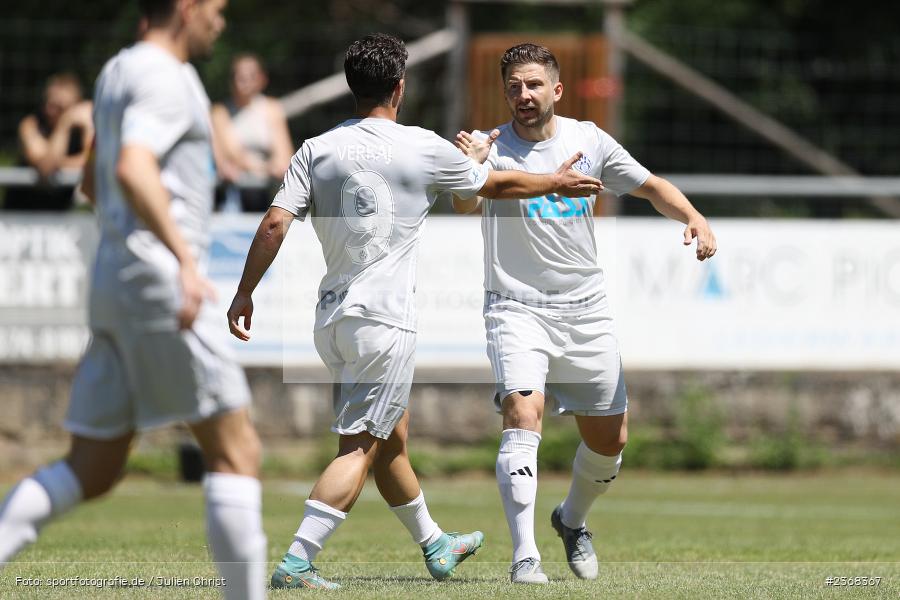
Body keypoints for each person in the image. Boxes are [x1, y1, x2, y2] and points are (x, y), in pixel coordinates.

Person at [226, 33, 602, 589]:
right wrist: (554, 180)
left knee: (390, 439)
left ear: (353, 86)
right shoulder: (420, 146)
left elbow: (275, 222)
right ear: (399, 87)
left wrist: (244, 292)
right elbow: (491, 185)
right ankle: (298, 560)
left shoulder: (316, 148)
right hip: (384, 321)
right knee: (360, 447)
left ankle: (434, 544)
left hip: (333, 320)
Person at [0, 2, 267, 599]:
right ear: (185, 8)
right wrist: (183, 261)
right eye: (216, 10)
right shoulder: (164, 76)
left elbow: (93, 180)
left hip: (115, 281)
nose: (219, 23)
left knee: (91, 469)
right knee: (236, 452)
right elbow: (131, 166)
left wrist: (132, 246)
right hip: (162, 281)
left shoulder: (117, 70)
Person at [453, 43, 717, 584]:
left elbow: (650, 187)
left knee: (610, 440)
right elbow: (464, 201)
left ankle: (571, 520)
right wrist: (470, 166)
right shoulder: (491, 147)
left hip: (585, 311)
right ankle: (525, 555)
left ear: (557, 89)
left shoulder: (588, 139)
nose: (522, 96)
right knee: (523, 414)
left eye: (532, 85)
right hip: (516, 306)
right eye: (513, 87)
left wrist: (692, 215)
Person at [211, 53, 292, 211]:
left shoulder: (272, 109)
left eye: (251, 76)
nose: (245, 81)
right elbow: (234, 154)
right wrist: (267, 168)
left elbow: (284, 156)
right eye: (240, 76)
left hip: (269, 194)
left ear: (262, 79)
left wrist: (274, 167)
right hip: (234, 195)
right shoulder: (220, 113)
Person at [4, 72, 94, 210]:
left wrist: (90, 124)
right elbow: (47, 168)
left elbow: (92, 165)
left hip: (60, 219)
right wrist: (64, 125)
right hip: (19, 217)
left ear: (76, 106)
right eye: (48, 103)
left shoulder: (81, 128)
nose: (50, 110)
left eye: (60, 107)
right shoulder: (31, 125)